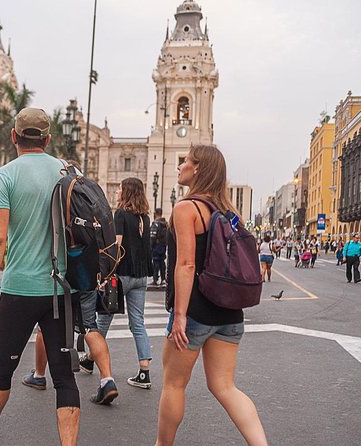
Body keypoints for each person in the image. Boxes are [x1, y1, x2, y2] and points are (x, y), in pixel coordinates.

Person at [0, 108, 80, 446]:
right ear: (48, 139)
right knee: (64, 376)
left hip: (19, 289)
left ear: (14, 136)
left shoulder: (6, 175)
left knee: (3, 367)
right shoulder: (69, 172)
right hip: (61, 288)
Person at [156, 144, 267, 446]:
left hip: (195, 312)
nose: (180, 167)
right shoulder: (229, 212)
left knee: (174, 384)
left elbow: (186, 263)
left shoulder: (186, 208)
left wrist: (179, 315)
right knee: (225, 387)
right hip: (230, 312)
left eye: (185, 162)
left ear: (198, 169)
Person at [96, 177, 154, 389]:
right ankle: (144, 372)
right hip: (140, 277)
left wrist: (104, 273)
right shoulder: (144, 218)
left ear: (127, 192)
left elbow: (116, 247)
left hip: (121, 277)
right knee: (137, 323)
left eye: (120, 188)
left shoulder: (120, 214)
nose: (117, 191)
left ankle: (91, 357)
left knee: (103, 319)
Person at [150, 208, 168, 286]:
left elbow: (152, 236)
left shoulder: (155, 224)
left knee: (156, 261)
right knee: (162, 262)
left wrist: (151, 246)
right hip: (163, 245)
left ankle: (155, 279)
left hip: (156, 246)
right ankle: (163, 279)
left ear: (155, 213)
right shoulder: (165, 224)